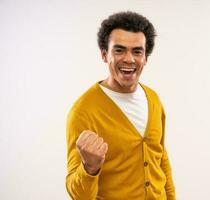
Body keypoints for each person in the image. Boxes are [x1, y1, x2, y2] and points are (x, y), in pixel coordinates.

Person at [66, 11, 176, 200]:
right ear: (104, 54)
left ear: (145, 58)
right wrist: (90, 168)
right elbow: (79, 195)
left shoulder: (154, 99)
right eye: (119, 50)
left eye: (137, 51)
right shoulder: (84, 111)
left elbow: (161, 160)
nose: (129, 59)